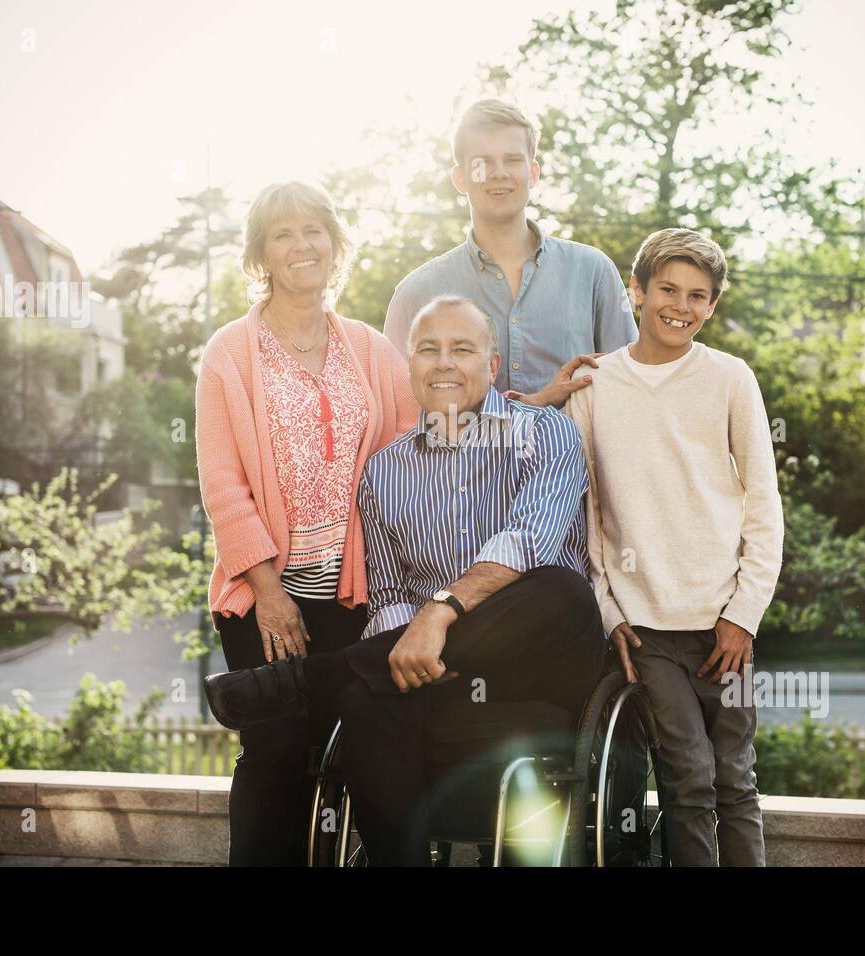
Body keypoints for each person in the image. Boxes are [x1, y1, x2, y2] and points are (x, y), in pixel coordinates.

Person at [205, 295, 607, 866]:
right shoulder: (384, 471)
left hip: (539, 658)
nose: (444, 363)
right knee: (366, 701)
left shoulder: (546, 434)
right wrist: (412, 641)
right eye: (428, 350)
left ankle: (316, 675)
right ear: (409, 368)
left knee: (557, 589)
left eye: (462, 349)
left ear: (491, 366)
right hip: (437, 670)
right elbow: (391, 596)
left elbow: (527, 540)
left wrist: (440, 611)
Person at [196, 180, 418, 866]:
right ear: (260, 253)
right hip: (264, 596)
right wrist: (268, 592)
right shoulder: (229, 355)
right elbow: (223, 486)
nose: (302, 246)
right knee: (278, 750)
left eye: (314, 230)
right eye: (283, 234)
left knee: (356, 753)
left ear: (335, 241)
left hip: (354, 597)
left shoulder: (374, 351)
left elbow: (405, 461)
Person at [564, 227, 784, 867]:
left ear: (712, 306)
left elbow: (763, 504)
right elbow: (585, 515)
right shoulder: (596, 385)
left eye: (697, 296)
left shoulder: (730, 378)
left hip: (724, 626)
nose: (680, 306)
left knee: (736, 783)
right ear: (637, 290)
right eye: (667, 289)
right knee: (689, 780)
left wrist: (743, 615)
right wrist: (608, 612)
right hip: (647, 630)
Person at [382, 98, 637, 408]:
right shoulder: (417, 293)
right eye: (482, 162)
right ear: (460, 178)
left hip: (578, 457)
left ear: (533, 172)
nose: (499, 172)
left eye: (512, 160)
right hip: (460, 458)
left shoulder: (593, 272)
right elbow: (400, 416)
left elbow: (630, 389)